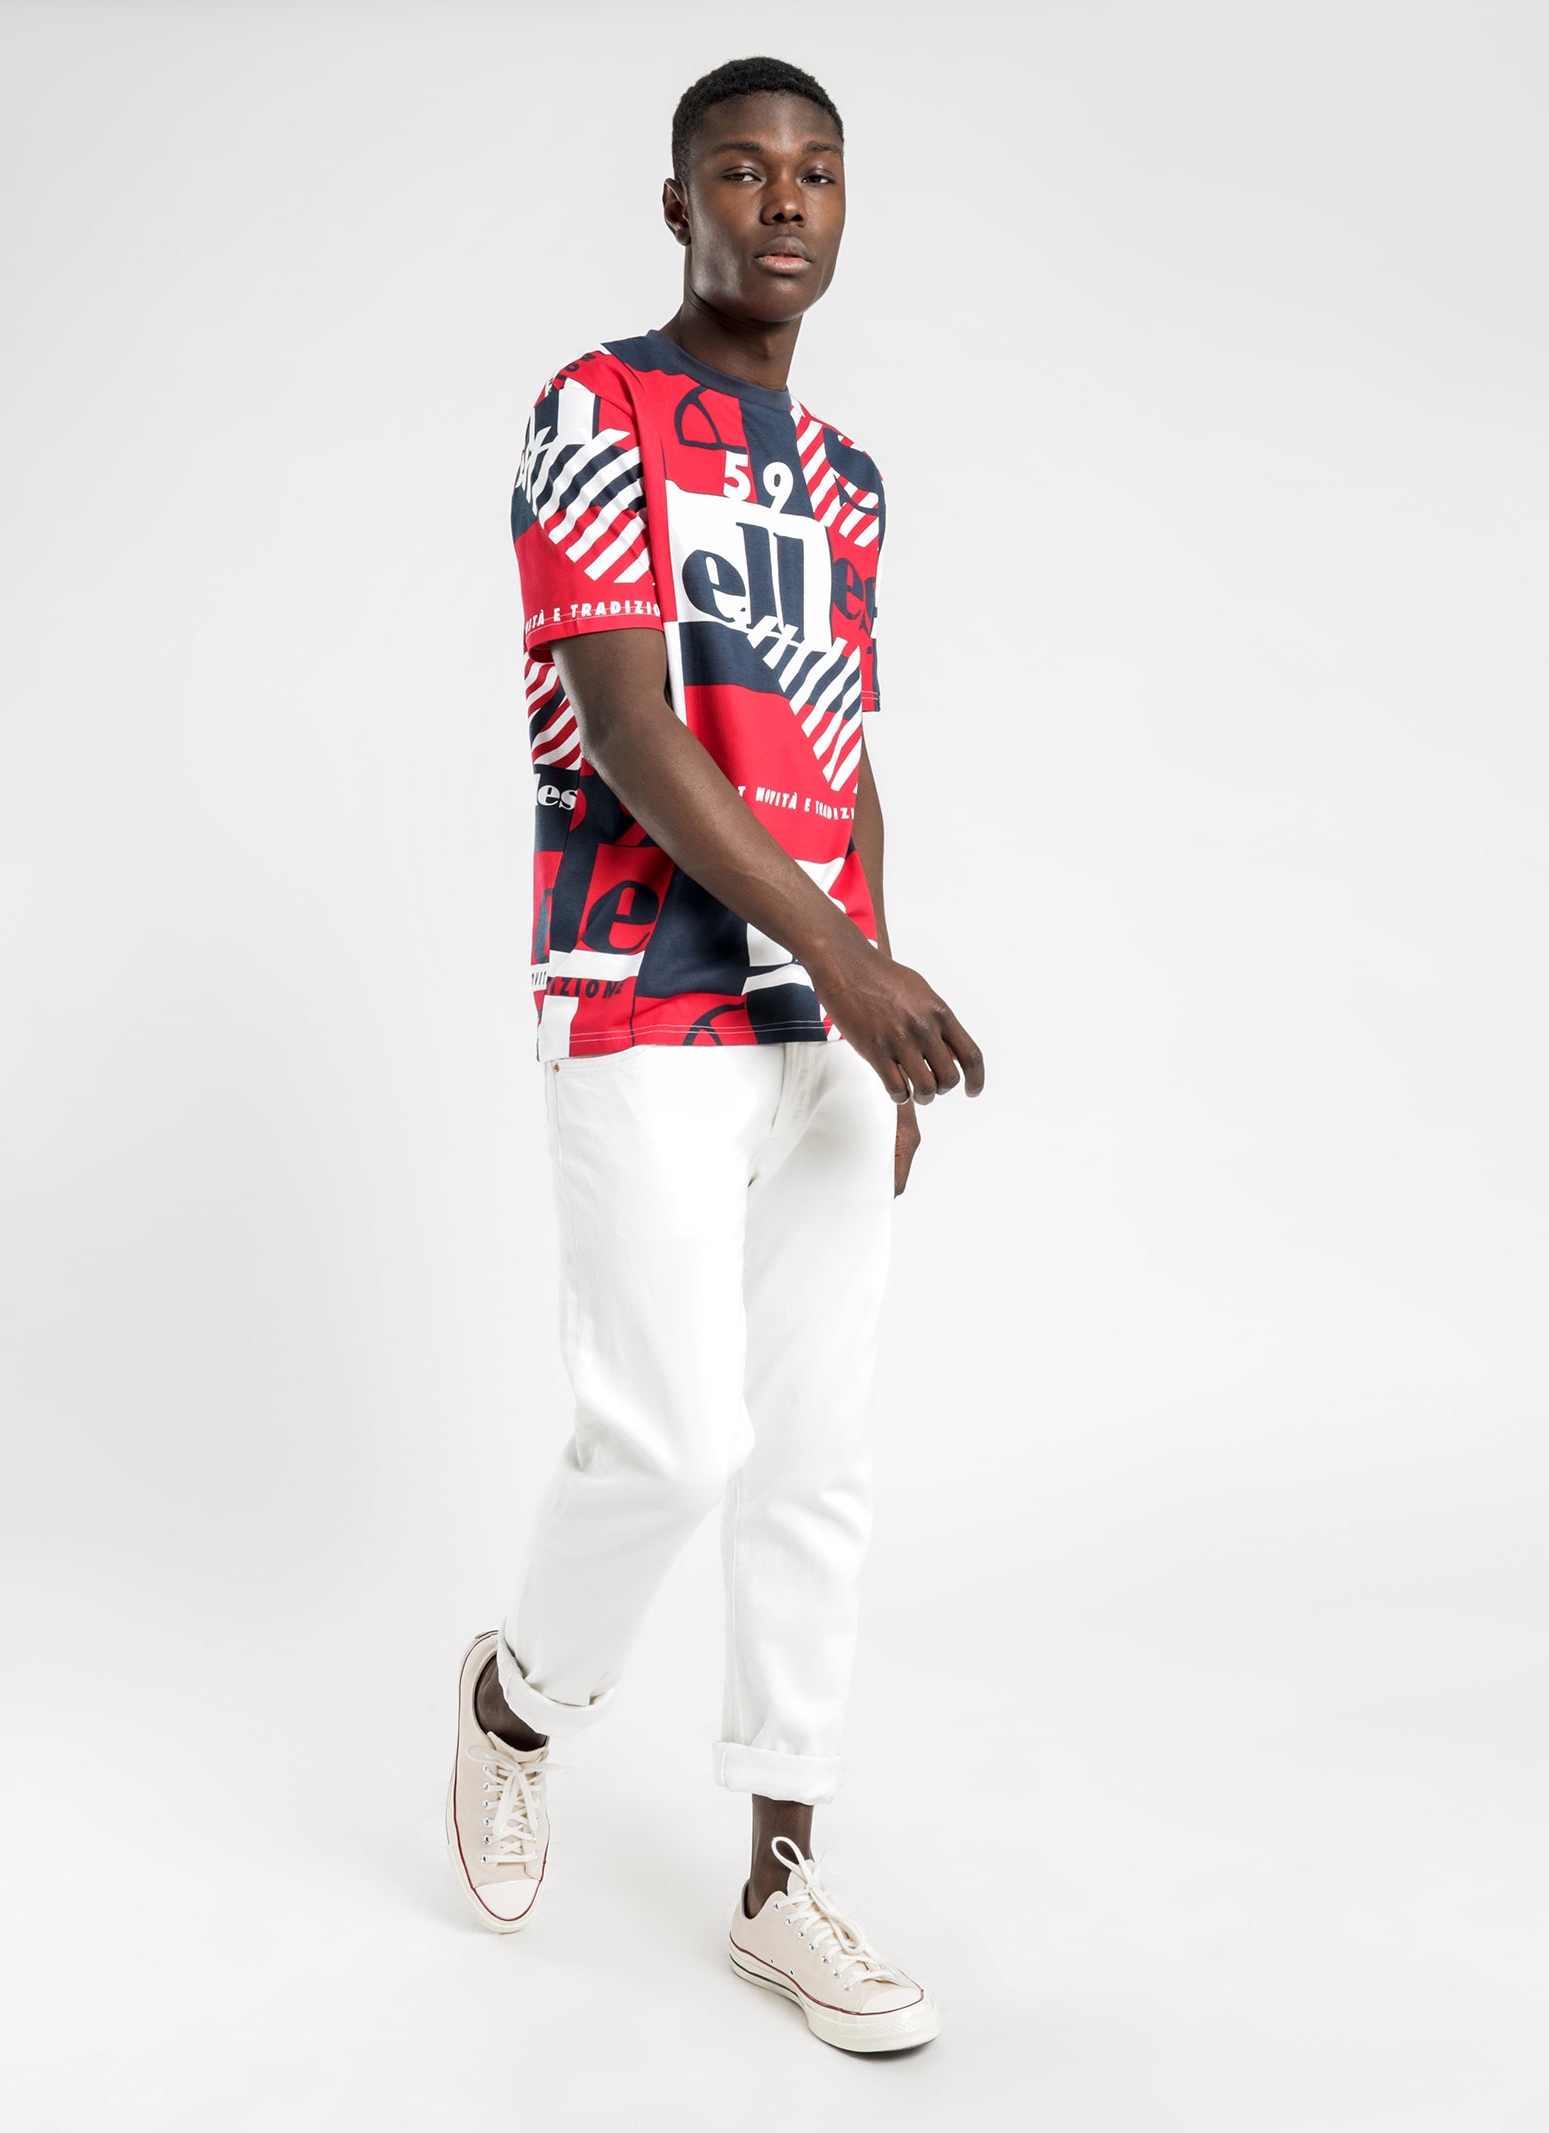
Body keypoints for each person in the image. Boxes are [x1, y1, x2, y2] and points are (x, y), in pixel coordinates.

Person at [445, 54, 984, 2054]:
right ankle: (518, 1700)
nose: (783, 203)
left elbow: (839, 749)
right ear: (675, 204)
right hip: (646, 988)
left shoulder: (848, 478)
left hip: (825, 1019)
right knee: (669, 1442)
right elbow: (628, 723)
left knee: (815, 1454)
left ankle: (778, 1871)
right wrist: (847, 961)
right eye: (742, 172)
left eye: (817, 173)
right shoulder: (594, 411)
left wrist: (872, 999)